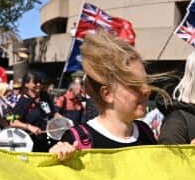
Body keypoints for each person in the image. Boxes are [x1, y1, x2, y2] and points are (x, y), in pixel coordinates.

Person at [49, 30, 158, 159]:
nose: (147, 90)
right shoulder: (78, 140)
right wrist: (58, 157)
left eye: (146, 82)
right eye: (135, 84)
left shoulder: (145, 131)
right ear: (108, 94)